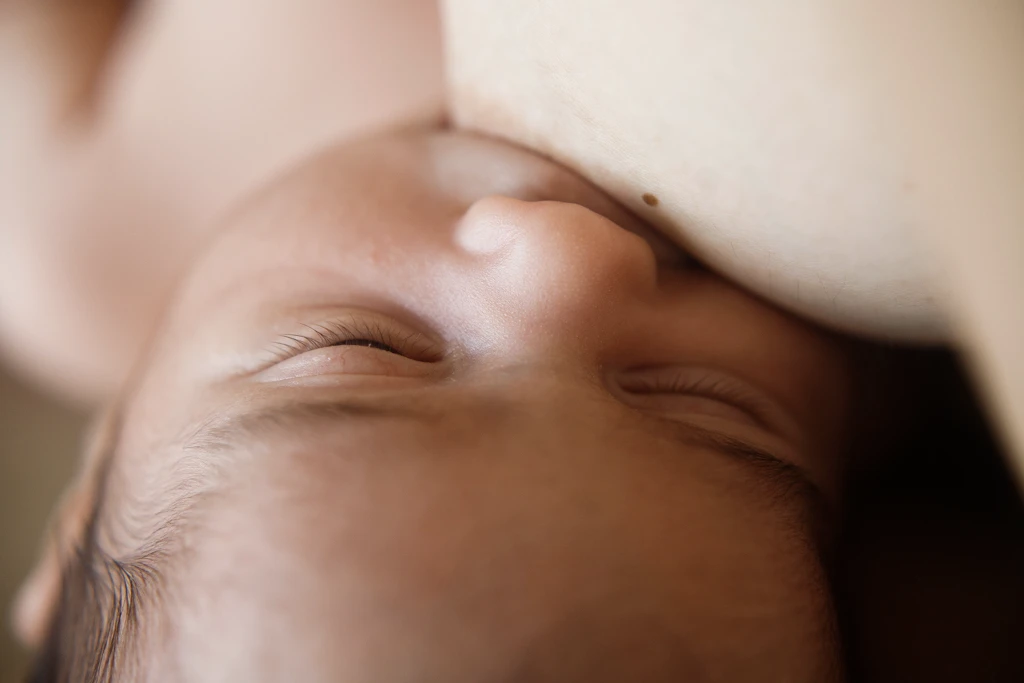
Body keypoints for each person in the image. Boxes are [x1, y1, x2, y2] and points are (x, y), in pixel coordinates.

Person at [2, 1, 1021, 681]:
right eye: (708, 402)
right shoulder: (893, 276)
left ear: (86, 500)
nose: (570, 254)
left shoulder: (86, 240)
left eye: (366, 347)